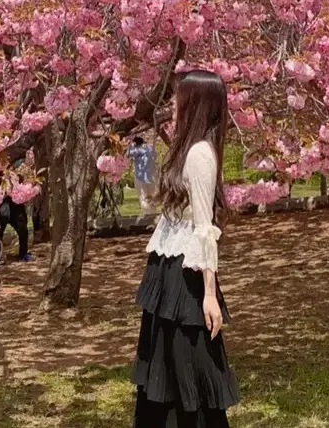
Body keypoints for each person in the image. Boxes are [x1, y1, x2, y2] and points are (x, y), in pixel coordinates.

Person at [132, 70, 240, 427]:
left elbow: (204, 228)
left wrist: (210, 294)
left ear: (194, 103)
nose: (174, 106)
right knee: (165, 370)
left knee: (188, 370)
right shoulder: (184, 150)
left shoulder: (200, 155)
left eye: (180, 99)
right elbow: (159, 208)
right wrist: (142, 165)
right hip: (167, 271)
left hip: (186, 278)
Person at [127, 136, 158, 215]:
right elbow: (155, 156)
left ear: (136, 143)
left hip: (140, 177)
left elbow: (128, 154)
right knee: (152, 197)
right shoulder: (150, 148)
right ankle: (153, 213)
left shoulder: (137, 150)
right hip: (152, 177)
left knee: (143, 197)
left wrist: (129, 145)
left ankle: (147, 214)